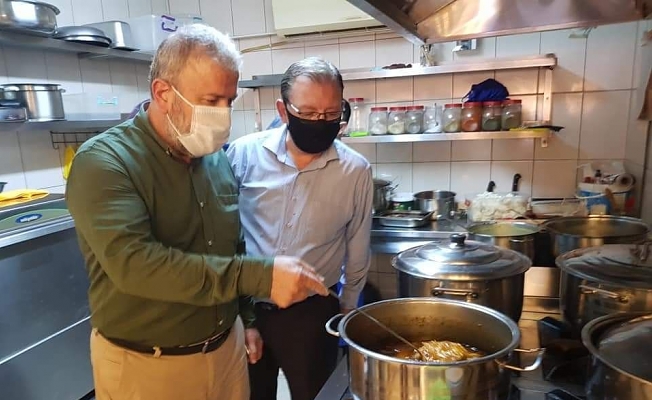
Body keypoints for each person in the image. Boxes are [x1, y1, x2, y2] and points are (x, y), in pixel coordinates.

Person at [65, 25, 328, 400]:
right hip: (149, 366)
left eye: (229, 101)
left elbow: (232, 243)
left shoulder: (214, 158)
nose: (223, 115)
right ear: (163, 93)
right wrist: (262, 276)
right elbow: (138, 266)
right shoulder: (105, 163)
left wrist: (247, 320)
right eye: (211, 100)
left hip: (226, 352)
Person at [226, 57, 373, 400]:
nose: (320, 122)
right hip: (247, 306)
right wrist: (237, 313)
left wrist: (347, 309)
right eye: (307, 113)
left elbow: (358, 247)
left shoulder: (355, 171)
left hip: (312, 313)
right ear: (283, 110)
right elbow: (225, 232)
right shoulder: (244, 154)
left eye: (330, 113)